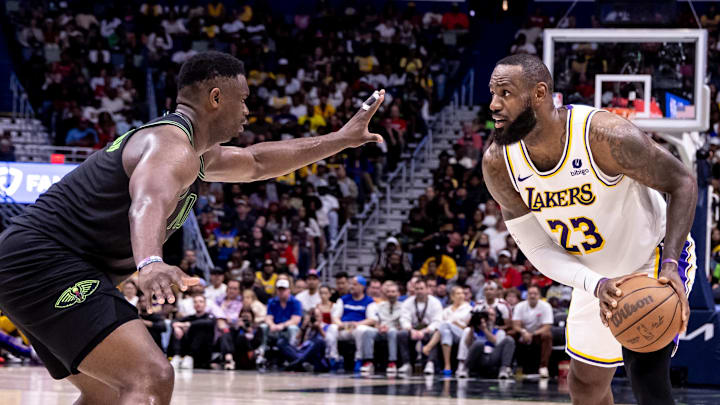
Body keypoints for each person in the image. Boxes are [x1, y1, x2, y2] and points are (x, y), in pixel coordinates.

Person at [0, 50, 386, 404]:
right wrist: (150, 261)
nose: (248, 109)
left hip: (37, 262)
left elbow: (255, 162)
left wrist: (339, 140)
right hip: (43, 261)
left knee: (109, 392)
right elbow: (147, 202)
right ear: (216, 98)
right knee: (151, 377)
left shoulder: (194, 152)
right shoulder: (170, 145)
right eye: (244, 98)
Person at [482, 53, 696, 404]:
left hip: (651, 257)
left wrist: (671, 263)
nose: (494, 104)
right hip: (595, 275)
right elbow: (536, 248)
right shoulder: (498, 163)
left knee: (644, 368)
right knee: (584, 386)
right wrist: (593, 283)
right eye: (492, 93)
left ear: (539, 94)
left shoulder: (603, 136)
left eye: (505, 93)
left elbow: (683, 183)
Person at [325, 276, 377, 373]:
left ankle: (359, 359)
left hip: (357, 328)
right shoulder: (343, 299)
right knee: (331, 328)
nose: (352, 287)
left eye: (355, 284)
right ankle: (333, 358)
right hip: (344, 328)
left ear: (362, 287)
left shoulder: (369, 301)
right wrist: (340, 324)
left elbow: (372, 319)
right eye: (351, 284)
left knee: (361, 330)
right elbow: (335, 316)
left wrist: (357, 324)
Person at [422, 286, 472, 377]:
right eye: (458, 293)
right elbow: (440, 325)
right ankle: (447, 365)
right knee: (446, 332)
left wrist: (456, 324)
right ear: (452, 297)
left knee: (446, 324)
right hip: (449, 335)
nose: (461, 295)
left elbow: (469, 328)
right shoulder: (446, 310)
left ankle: (428, 346)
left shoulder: (468, 309)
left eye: (462, 293)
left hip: (462, 335)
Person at [456, 305, 515, 379]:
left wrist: (484, 330)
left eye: (492, 315)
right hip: (478, 358)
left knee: (509, 339)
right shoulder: (474, 330)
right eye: (488, 314)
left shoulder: (499, 331)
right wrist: (472, 328)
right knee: (479, 343)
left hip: (493, 357)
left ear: (496, 317)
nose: (490, 317)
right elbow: (468, 344)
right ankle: (465, 369)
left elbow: (496, 343)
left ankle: (504, 369)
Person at [363, 281, 407, 376]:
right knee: (367, 332)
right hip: (381, 330)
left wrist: (390, 327)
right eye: (389, 292)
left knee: (392, 332)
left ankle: (392, 362)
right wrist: (379, 327)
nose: (391, 294)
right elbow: (377, 321)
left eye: (393, 292)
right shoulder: (380, 306)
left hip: (394, 330)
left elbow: (403, 322)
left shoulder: (403, 307)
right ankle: (368, 361)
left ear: (398, 293)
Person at [400, 278, 443, 375]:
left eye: (421, 288)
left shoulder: (435, 302)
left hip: (428, 330)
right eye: (417, 289)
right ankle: (406, 363)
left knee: (436, 334)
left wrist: (425, 331)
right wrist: (410, 330)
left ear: (427, 289)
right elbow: (404, 319)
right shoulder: (407, 302)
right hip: (413, 330)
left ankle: (430, 363)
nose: (419, 291)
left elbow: (437, 321)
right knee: (401, 334)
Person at [512, 285, 553, 378]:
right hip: (523, 333)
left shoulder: (546, 306)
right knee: (510, 335)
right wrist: (523, 332)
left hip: (537, 334)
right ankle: (510, 367)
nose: (532, 296)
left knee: (547, 335)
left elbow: (547, 326)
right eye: (530, 293)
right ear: (526, 295)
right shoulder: (519, 306)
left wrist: (533, 334)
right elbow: (515, 325)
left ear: (539, 295)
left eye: (535, 294)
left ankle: (543, 367)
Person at [169, 295, 216, 370]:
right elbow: (174, 322)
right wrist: (176, 327)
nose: (198, 304)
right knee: (177, 329)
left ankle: (189, 357)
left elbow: (208, 323)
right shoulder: (191, 317)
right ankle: (177, 356)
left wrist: (188, 324)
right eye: (195, 302)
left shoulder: (209, 317)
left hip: (203, 351)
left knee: (199, 328)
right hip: (188, 347)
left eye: (201, 302)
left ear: (205, 304)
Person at [263, 279, 302, 348]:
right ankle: (262, 351)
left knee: (292, 328)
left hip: (287, 329)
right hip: (274, 328)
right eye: (279, 289)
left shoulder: (296, 302)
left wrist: (282, 325)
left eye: (283, 289)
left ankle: (292, 351)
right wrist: (272, 325)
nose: (281, 292)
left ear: (288, 290)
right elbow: (268, 317)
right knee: (263, 326)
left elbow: (296, 320)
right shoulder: (272, 301)